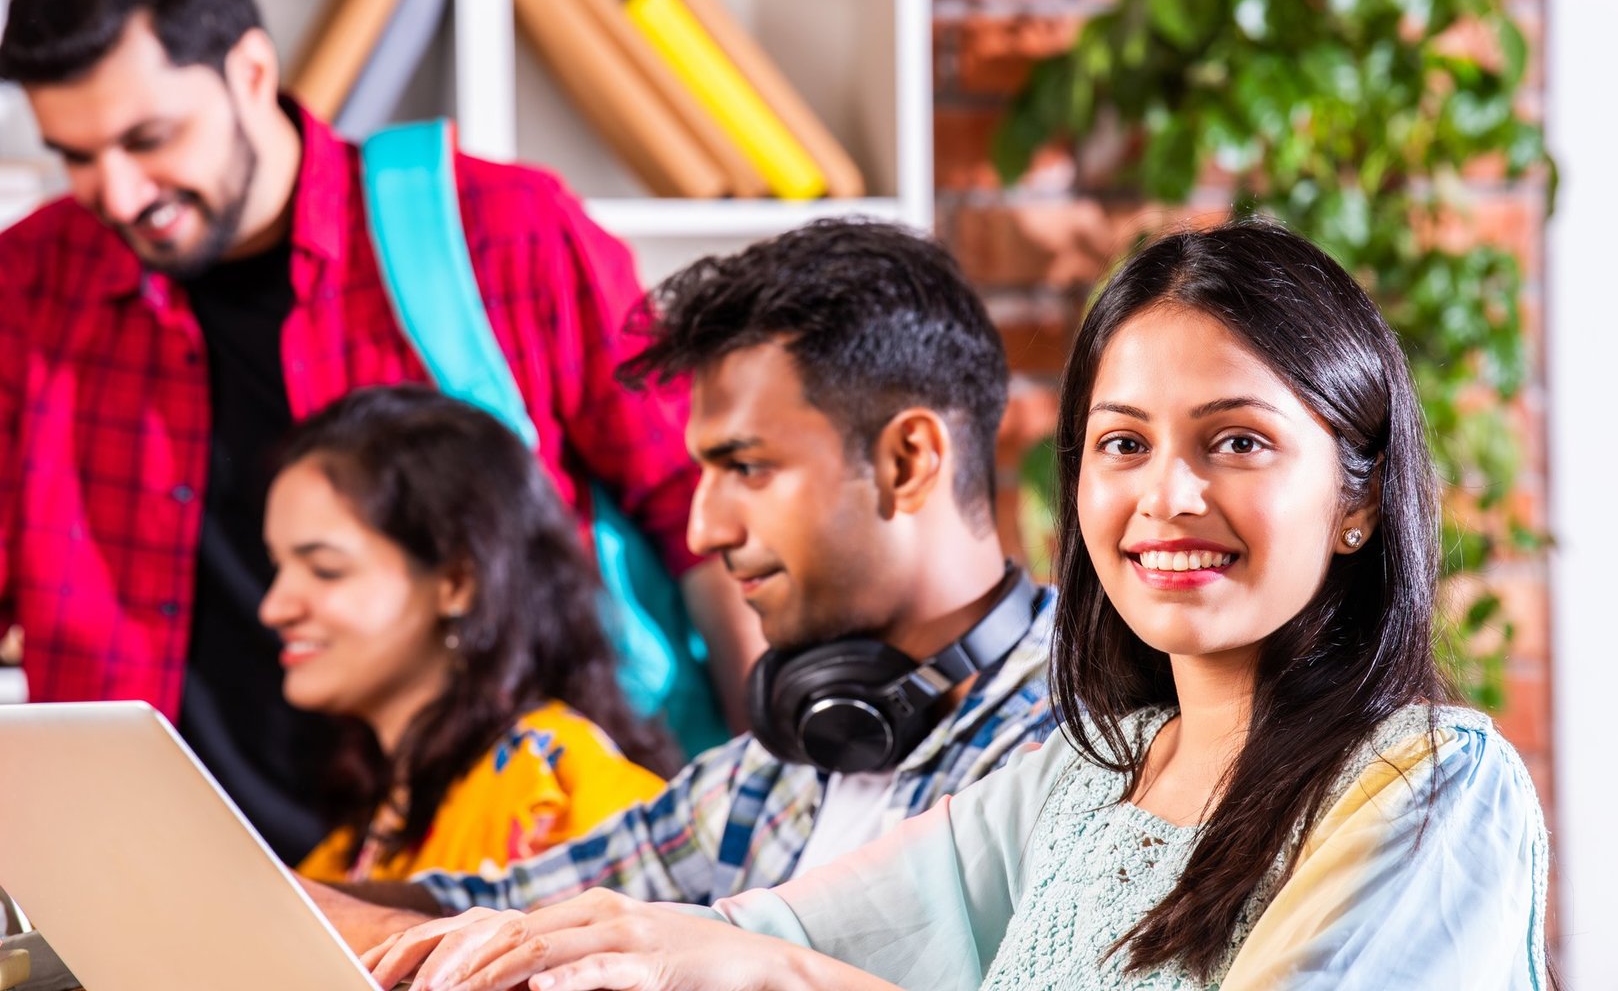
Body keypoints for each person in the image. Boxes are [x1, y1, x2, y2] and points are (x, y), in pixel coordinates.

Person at [363, 220, 1550, 991]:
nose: (1165, 497)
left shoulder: (1431, 785)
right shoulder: (1093, 774)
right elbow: (774, 938)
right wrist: (598, 948)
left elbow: (790, 976)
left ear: (1359, 498)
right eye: (1121, 444)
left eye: (1235, 440)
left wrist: (771, 978)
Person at [0, 0, 758, 864]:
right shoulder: (29, 287)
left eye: (149, 138)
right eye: (75, 155)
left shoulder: (503, 235)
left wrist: (755, 830)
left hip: (489, 869)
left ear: (250, 72)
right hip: (152, 880)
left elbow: (709, 518)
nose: (116, 193)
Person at [308, 217, 1059, 949]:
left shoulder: (1098, 755)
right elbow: (507, 906)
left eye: (747, 468)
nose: (705, 530)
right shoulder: (785, 761)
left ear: (906, 460)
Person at [262, 385, 677, 883]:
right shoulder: (371, 824)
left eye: (325, 570)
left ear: (457, 582)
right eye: (277, 567)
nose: (274, 608)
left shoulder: (557, 789)